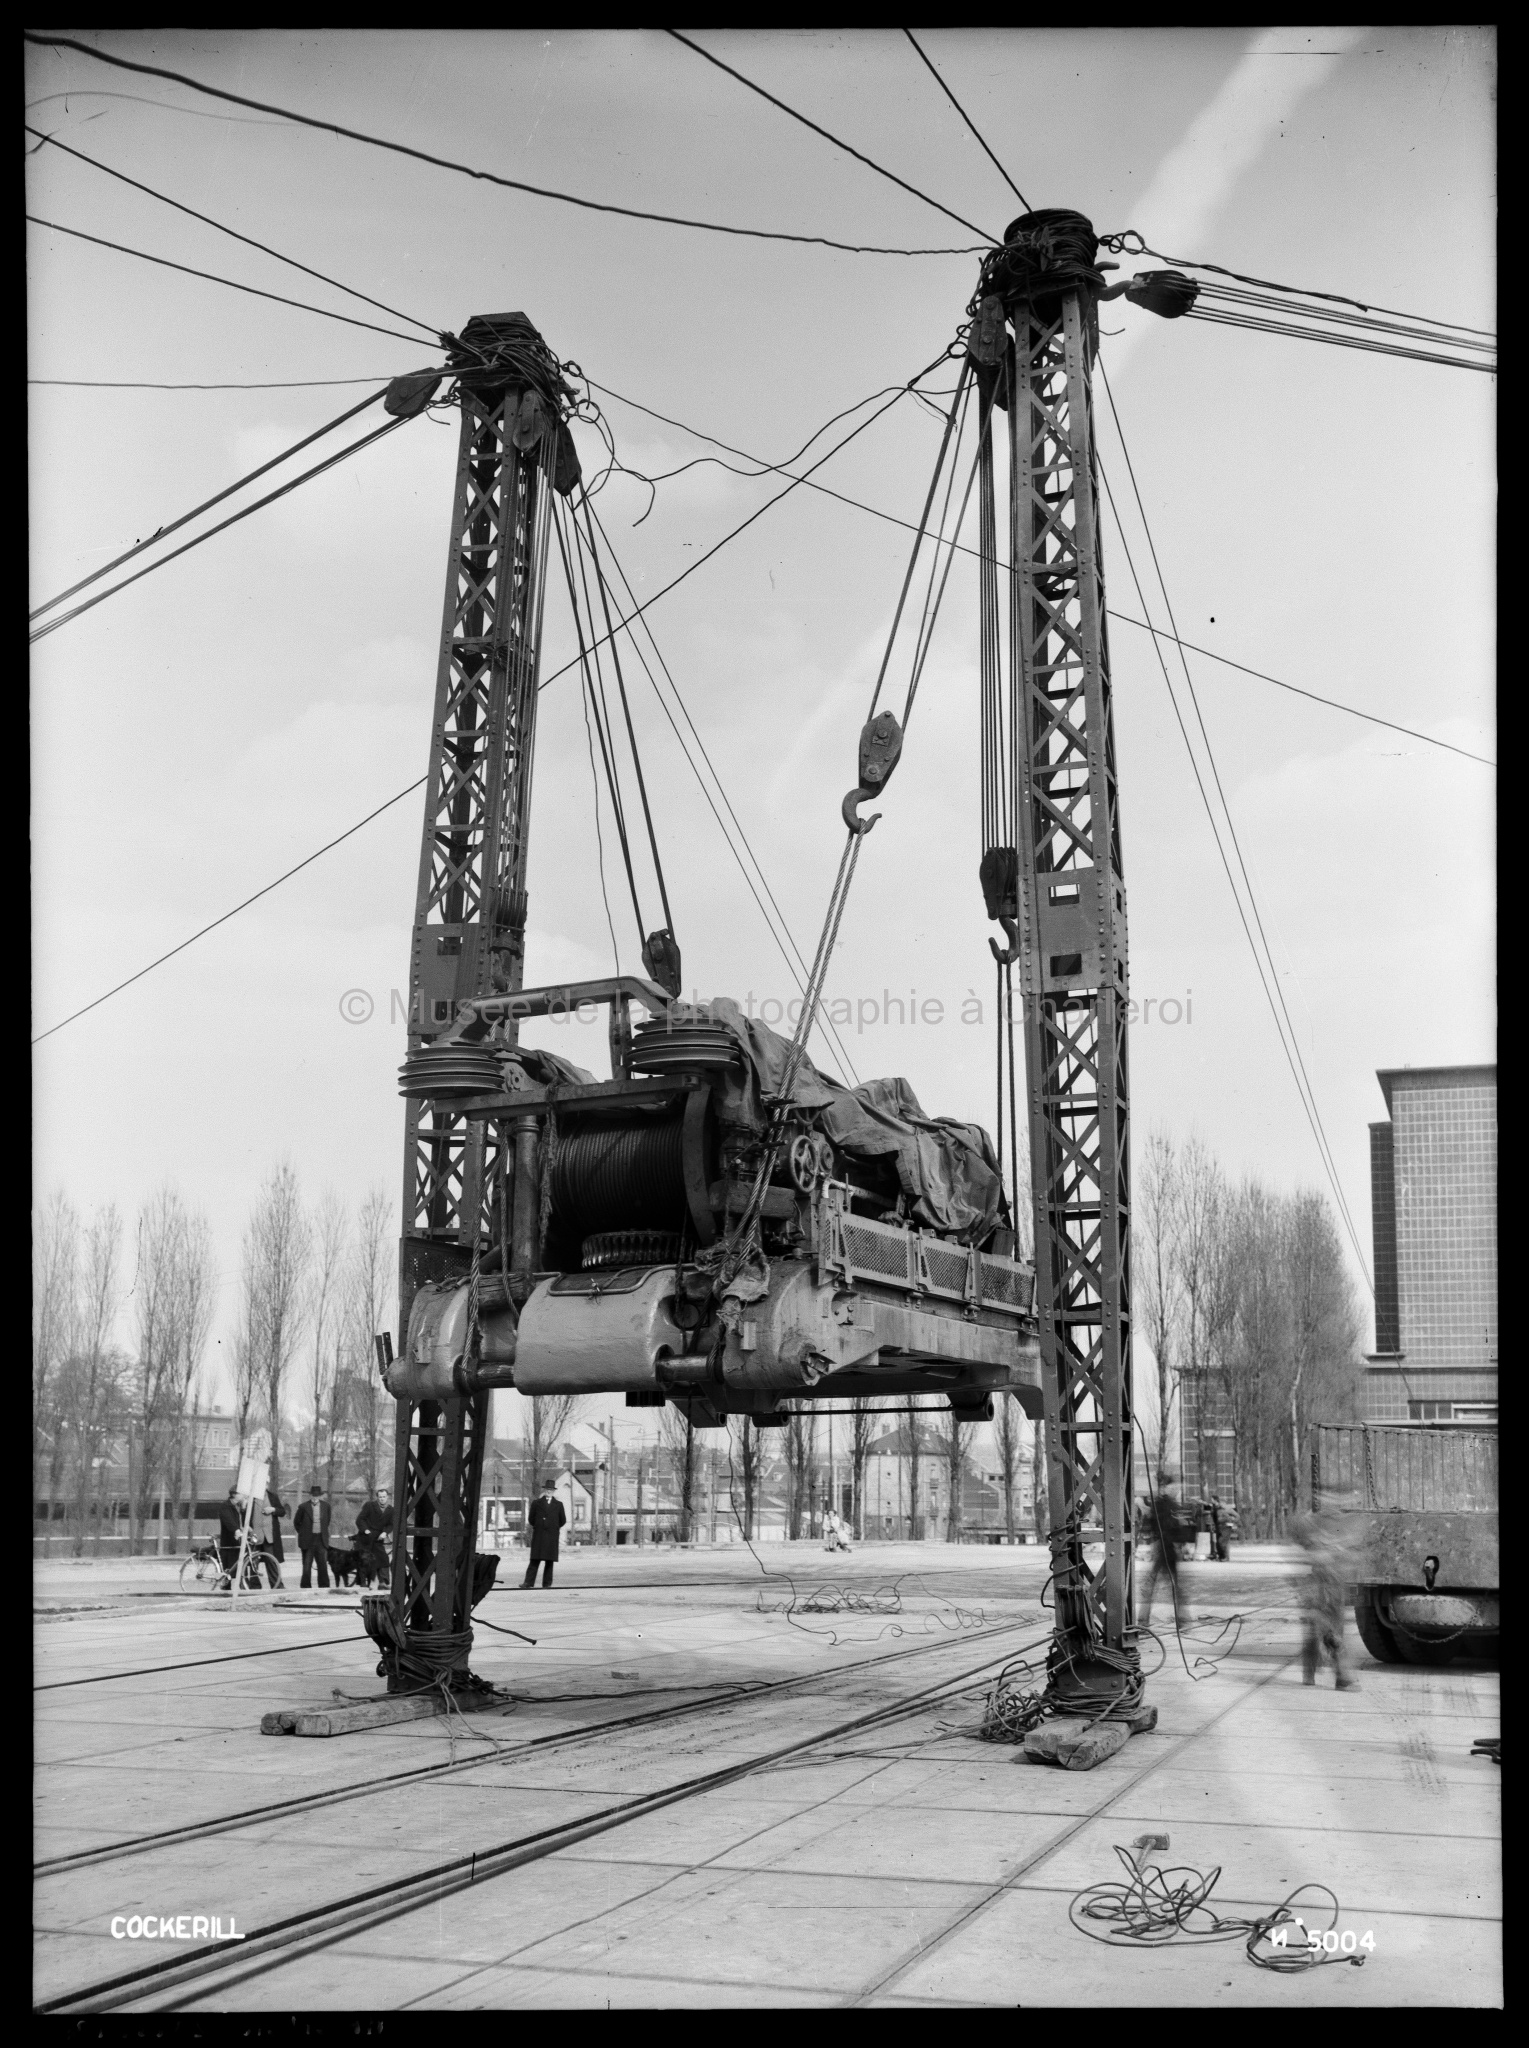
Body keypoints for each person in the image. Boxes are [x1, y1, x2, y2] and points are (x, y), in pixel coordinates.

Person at [1290, 1494, 1361, 1690]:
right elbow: (1300, 1550)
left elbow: (1353, 1554)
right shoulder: (1309, 1522)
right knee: (1325, 1630)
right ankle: (1341, 1677)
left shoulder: (1344, 1524)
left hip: (1337, 1584)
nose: (1337, 1504)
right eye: (1332, 1500)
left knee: (1326, 1629)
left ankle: (1311, 1673)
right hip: (1317, 1583)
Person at [1137, 1474, 1190, 1628]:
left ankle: (1143, 1621)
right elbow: (1171, 1527)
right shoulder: (1167, 1504)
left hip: (1163, 1547)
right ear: (1167, 1488)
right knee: (1173, 1587)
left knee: (1153, 1586)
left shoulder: (1163, 1504)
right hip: (1165, 1548)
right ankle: (1182, 1620)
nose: (1177, 1490)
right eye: (1175, 1487)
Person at [519, 1477, 565, 1589]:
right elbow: (531, 1519)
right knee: (534, 1560)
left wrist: (552, 1527)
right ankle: (528, 1583)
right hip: (539, 1536)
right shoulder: (536, 1503)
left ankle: (547, 1584)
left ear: (554, 1491)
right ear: (544, 1490)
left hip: (551, 1537)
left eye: (551, 1489)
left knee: (549, 1562)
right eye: (547, 1489)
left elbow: (562, 1520)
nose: (549, 1491)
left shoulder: (558, 1505)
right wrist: (540, 1525)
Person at [293, 1483, 332, 1589]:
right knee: (307, 1565)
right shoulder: (303, 1507)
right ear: (310, 1496)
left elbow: (327, 1521)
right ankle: (305, 1586)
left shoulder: (326, 1506)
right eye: (313, 1496)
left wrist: (322, 1532)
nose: (315, 1498)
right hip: (307, 1540)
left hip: (321, 1539)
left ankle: (324, 1586)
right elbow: (297, 1522)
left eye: (317, 1496)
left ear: (320, 1496)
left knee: (322, 1564)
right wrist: (303, 1533)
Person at [354, 1486, 392, 1587]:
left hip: (378, 1539)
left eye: (384, 1497)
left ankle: (383, 1582)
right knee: (364, 1559)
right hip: (365, 1538)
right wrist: (365, 1530)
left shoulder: (390, 1510)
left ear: (387, 1497)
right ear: (377, 1497)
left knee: (383, 1559)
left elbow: (391, 1524)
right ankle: (362, 1582)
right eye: (380, 1497)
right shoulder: (369, 1506)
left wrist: (385, 1532)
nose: (382, 1499)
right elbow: (360, 1519)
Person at [257, 1485, 288, 1588]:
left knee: (271, 1561)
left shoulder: (272, 1496)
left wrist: (273, 1509)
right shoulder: (251, 1497)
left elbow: (282, 1511)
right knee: (252, 1562)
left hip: (269, 1535)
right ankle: (254, 1586)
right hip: (255, 1536)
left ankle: (277, 1585)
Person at [215, 1487, 244, 1574]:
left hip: (237, 1540)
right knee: (228, 1567)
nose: (243, 1495)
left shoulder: (238, 1506)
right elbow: (228, 1520)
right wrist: (236, 1530)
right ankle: (226, 1585)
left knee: (238, 1566)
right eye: (240, 1493)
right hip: (229, 1540)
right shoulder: (225, 1506)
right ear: (234, 1495)